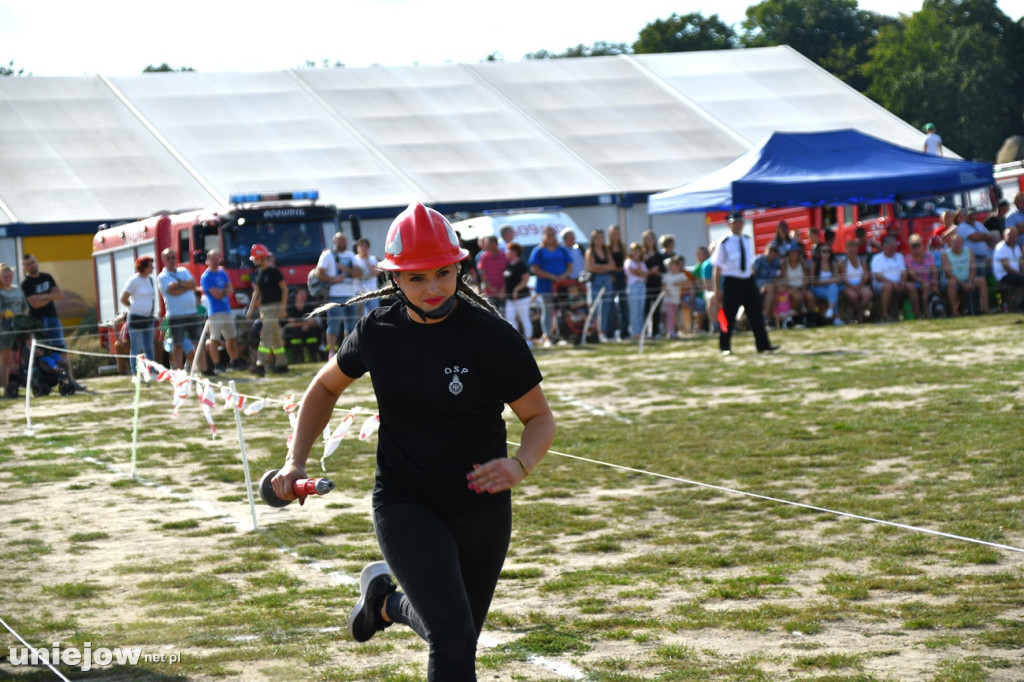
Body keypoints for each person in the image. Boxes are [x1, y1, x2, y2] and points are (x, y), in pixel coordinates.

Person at [270, 203, 556, 680]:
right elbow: (323, 387)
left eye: (443, 273)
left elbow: (540, 418)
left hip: (482, 508)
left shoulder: (491, 337)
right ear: (395, 279)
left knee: (458, 632)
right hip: (406, 502)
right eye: (417, 278)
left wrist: (520, 464)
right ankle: (388, 602)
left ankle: (385, 605)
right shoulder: (377, 331)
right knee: (452, 641)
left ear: (460, 268)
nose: (433, 288)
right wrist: (293, 461)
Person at [712, 212, 778, 356]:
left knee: (756, 314)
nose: (738, 225)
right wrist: (717, 289)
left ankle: (763, 345)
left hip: (747, 281)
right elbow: (717, 267)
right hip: (732, 281)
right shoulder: (723, 242)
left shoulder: (747, 240)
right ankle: (724, 346)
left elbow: (749, 263)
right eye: (734, 222)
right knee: (728, 316)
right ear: (729, 224)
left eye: (740, 222)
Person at [20, 254, 86, 391]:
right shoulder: (26, 284)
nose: (32, 265)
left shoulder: (47, 277)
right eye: (28, 264)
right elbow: (34, 304)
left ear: (36, 261)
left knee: (61, 350)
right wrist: (50, 296)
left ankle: (71, 381)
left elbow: (60, 295)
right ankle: (46, 381)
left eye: (33, 262)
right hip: (38, 321)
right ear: (24, 267)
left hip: (53, 318)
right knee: (44, 352)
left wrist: (42, 297)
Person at [157, 248, 208, 373]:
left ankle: (204, 370)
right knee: (177, 344)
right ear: (163, 259)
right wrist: (186, 285)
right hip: (175, 315)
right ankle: (179, 371)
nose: (171, 260)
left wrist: (178, 284)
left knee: (198, 342)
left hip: (191, 313)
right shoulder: (162, 276)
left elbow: (193, 284)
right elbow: (171, 292)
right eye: (168, 258)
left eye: (173, 257)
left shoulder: (183, 270)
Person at [316, 232, 362, 356]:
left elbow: (359, 274)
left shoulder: (351, 255)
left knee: (351, 324)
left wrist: (345, 269)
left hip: (351, 295)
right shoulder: (327, 255)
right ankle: (331, 353)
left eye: (344, 240)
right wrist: (333, 279)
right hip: (335, 295)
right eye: (339, 240)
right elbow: (319, 274)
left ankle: (347, 351)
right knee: (333, 325)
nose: (342, 242)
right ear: (334, 241)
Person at [246, 244, 289, 375]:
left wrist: (282, 308)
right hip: (264, 310)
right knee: (275, 337)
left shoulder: (274, 272)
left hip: (274, 308)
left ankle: (260, 363)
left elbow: (284, 290)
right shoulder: (259, 273)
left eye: (255, 258)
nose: (253, 261)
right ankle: (282, 364)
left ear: (262, 258)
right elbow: (256, 292)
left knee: (265, 335)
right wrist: (250, 308)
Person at [200, 249, 245, 372]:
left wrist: (224, 292)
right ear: (208, 260)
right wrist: (225, 291)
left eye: (217, 258)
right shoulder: (206, 276)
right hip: (215, 312)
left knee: (231, 337)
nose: (215, 261)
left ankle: (234, 361)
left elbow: (230, 289)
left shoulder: (222, 273)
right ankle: (217, 364)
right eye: (213, 259)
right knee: (214, 339)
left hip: (227, 310)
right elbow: (216, 294)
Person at [527, 225, 572, 344]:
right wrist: (551, 276)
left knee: (561, 310)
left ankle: (561, 335)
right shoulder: (539, 250)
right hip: (545, 286)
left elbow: (569, 266)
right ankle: (547, 336)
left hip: (561, 285)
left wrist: (562, 276)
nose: (550, 236)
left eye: (552, 234)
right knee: (547, 311)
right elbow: (534, 269)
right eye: (547, 234)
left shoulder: (561, 249)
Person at [119, 256, 158, 377]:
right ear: (144, 267)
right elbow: (123, 298)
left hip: (148, 318)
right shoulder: (133, 280)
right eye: (150, 265)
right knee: (135, 346)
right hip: (135, 317)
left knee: (148, 346)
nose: (152, 267)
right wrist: (133, 306)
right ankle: (135, 371)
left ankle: (151, 370)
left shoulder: (150, 280)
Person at [1, 263, 30, 398]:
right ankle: (7, 389)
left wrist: (23, 316)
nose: (8, 278)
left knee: (23, 356)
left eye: (10, 276)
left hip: (19, 326)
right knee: (5, 360)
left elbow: (25, 306)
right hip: (4, 328)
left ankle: (23, 384)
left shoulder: (17, 289)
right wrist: (6, 314)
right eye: (4, 276)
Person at [941, 233, 987, 316]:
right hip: (953, 281)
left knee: (981, 280)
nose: (957, 245)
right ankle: (954, 311)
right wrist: (962, 284)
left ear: (963, 243)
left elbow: (973, 269)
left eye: (959, 242)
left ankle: (985, 309)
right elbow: (948, 273)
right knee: (951, 283)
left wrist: (969, 282)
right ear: (950, 244)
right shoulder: (945, 255)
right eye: (955, 242)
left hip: (968, 280)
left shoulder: (969, 251)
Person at [870, 236, 910, 321]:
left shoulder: (899, 256)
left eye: (895, 247)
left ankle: (918, 314)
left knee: (911, 286)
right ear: (885, 247)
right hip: (881, 284)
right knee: (888, 287)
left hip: (899, 283)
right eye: (892, 247)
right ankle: (885, 315)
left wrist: (902, 283)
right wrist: (893, 284)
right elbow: (878, 276)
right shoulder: (877, 258)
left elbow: (904, 273)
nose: (894, 249)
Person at [584, 229, 614, 341]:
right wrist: (604, 267)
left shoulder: (606, 250)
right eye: (597, 238)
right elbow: (591, 267)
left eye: (602, 237)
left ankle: (603, 331)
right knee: (595, 307)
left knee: (606, 307)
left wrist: (600, 267)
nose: (600, 240)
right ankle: (594, 332)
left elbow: (612, 265)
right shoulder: (590, 251)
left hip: (607, 280)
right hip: (596, 280)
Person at [282, 286, 324, 363]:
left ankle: (313, 357)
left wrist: (307, 325)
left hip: (308, 330)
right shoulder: (290, 307)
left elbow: (314, 322)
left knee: (312, 333)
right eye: (301, 293)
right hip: (292, 331)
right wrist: (304, 324)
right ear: (296, 295)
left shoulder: (310, 307)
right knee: (296, 333)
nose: (303, 295)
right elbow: (292, 323)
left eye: (305, 293)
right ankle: (295, 359)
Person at [502, 242, 532, 345]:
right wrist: (503, 290)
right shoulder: (508, 265)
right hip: (510, 298)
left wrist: (516, 290)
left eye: (508, 250)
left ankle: (529, 340)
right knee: (510, 318)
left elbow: (525, 279)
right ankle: (515, 340)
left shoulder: (521, 264)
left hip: (522, 297)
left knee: (524, 318)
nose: (506, 252)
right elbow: (507, 280)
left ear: (514, 252)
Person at [905, 234, 939, 318]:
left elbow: (934, 269)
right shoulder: (908, 258)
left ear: (922, 245)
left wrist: (934, 279)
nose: (916, 248)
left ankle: (940, 310)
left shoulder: (929, 255)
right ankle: (922, 313)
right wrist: (923, 282)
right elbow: (912, 274)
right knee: (925, 287)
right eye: (913, 246)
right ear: (910, 247)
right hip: (917, 281)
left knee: (934, 288)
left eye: (918, 245)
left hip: (930, 280)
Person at [957, 207, 997, 277]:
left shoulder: (978, 224)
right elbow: (974, 238)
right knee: (975, 278)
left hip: (983, 256)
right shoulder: (962, 226)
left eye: (973, 215)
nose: (972, 217)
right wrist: (983, 236)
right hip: (971, 258)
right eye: (969, 215)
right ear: (966, 216)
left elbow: (990, 237)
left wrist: (982, 236)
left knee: (984, 277)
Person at [605, 225, 630, 340]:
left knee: (624, 306)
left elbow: (626, 262)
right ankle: (609, 332)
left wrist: (625, 275)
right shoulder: (607, 247)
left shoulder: (622, 247)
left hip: (622, 278)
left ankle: (624, 332)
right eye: (614, 233)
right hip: (612, 278)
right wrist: (611, 274)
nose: (616, 236)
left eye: (618, 233)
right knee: (610, 307)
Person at [839, 240, 873, 323]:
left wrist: (859, 286)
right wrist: (854, 287)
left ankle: (858, 313)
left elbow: (866, 275)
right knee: (853, 295)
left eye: (854, 248)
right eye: (850, 248)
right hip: (848, 285)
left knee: (869, 294)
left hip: (861, 285)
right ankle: (860, 315)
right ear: (847, 249)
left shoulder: (862, 260)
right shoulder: (843, 262)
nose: (852, 250)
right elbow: (844, 279)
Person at [810, 243, 843, 324]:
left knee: (833, 288)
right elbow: (813, 282)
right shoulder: (814, 264)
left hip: (829, 287)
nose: (826, 253)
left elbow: (837, 279)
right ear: (819, 253)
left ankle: (830, 310)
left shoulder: (833, 263)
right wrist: (829, 281)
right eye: (823, 251)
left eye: (828, 251)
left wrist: (824, 281)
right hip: (817, 289)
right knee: (833, 292)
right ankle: (836, 317)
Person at [992, 226, 1024, 311]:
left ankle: (1019, 306)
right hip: (1004, 276)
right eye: (1010, 235)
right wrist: (1020, 274)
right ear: (1005, 236)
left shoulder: (1016, 247)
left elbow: (1021, 263)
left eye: (1015, 235)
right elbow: (1007, 268)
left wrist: (1021, 272)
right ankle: (1021, 306)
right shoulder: (1001, 247)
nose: (1013, 238)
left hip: (1015, 275)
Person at [474, 235, 507, 313]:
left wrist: (503, 288)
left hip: (504, 292)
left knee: (504, 313)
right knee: (492, 314)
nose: (484, 245)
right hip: (490, 292)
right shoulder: (484, 257)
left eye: (487, 243)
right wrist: (490, 287)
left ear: (494, 244)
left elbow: (508, 274)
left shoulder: (504, 256)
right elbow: (482, 274)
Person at [660, 254, 691, 338]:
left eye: (673, 265)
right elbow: (663, 286)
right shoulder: (666, 276)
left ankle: (674, 330)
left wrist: (679, 283)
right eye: (670, 265)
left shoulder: (681, 275)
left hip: (676, 299)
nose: (671, 267)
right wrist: (666, 290)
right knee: (670, 315)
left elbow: (687, 283)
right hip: (668, 299)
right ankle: (670, 331)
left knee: (675, 315)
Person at [752, 244, 783, 325]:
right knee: (771, 288)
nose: (771, 253)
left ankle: (771, 317)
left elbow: (778, 276)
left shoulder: (776, 262)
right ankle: (765, 318)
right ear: (765, 251)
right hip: (757, 286)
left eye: (774, 252)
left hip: (770, 286)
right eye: (770, 251)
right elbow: (752, 275)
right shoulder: (759, 260)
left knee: (776, 290)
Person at [779, 245, 811, 324]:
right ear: (788, 254)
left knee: (810, 297)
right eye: (792, 252)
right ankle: (794, 318)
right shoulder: (784, 265)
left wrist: (803, 290)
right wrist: (794, 290)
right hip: (790, 289)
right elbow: (784, 281)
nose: (794, 254)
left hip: (802, 288)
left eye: (795, 252)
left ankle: (809, 318)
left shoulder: (802, 263)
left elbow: (806, 278)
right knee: (797, 297)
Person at [640, 230, 663, 338]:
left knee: (656, 308)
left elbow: (663, 270)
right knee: (645, 308)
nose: (650, 241)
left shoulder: (659, 255)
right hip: (646, 285)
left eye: (651, 238)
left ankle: (655, 332)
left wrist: (656, 271)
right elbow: (640, 271)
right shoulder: (642, 255)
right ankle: (644, 331)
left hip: (657, 284)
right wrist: (650, 271)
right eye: (647, 239)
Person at [624, 242, 648, 340]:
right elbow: (635, 272)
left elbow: (645, 275)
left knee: (640, 310)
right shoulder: (628, 261)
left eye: (638, 251)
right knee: (634, 310)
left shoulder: (642, 262)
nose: (637, 253)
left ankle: (641, 331)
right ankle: (634, 332)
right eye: (635, 251)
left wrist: (640, 273)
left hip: (642, 286)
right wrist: (640, 273)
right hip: (633, 286)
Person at [352, 238, 381, 317]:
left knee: (374, 315)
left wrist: (366, 261)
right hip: (358, 291)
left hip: (372, 291)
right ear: (357, 248)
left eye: (365, 246)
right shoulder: (354, 259)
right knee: (360, 315)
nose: (363, 248)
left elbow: (375, 273)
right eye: (361, 246)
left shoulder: (373, 259)